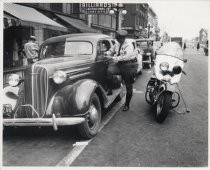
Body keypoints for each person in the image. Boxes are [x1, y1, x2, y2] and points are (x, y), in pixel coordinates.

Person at [105, 30, 138, 111]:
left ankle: (127, 104)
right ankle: (110, 89)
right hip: (119, 65)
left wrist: (114, 58)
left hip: (128, 65)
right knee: (109, 71)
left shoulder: (129, 45)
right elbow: (111, 50)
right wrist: (107, 53)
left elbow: (126, 57)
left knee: (128, 86)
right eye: (117, 39)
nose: (118, 40)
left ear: (123, 38)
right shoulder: (117, 43)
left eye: (120, 39)